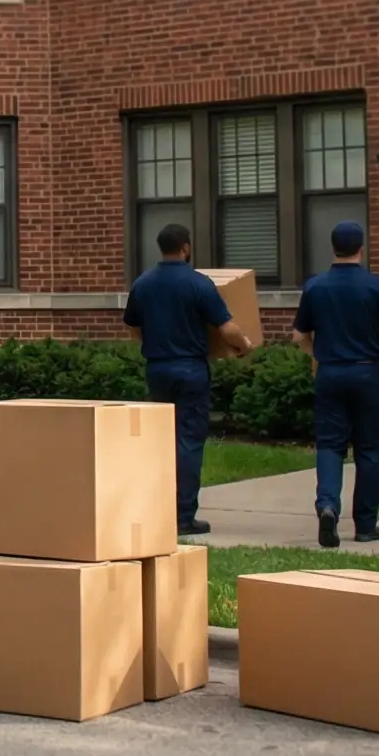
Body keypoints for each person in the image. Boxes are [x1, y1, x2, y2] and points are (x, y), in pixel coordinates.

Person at [293, 221, 379, 548]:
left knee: (330, 445)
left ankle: (327, 506)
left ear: (332, 249)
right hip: (367, 373)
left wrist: (319, 354)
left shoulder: (315, 287)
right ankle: (365, 525)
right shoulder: (377, 287)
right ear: (361, 249)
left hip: (330, 374)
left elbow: (299, 336)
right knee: (368, 450)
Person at [123, 223, 253, 536]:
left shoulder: (143, 284)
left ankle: (160, 510)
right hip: (191, 369)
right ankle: (183, 516)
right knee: (189, 442)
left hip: (158, 368)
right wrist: (244, 345)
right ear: (186, 247)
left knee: (162, 440)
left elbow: (132, 327)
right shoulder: (198, 284)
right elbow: (226, 328)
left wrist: (150, 345)